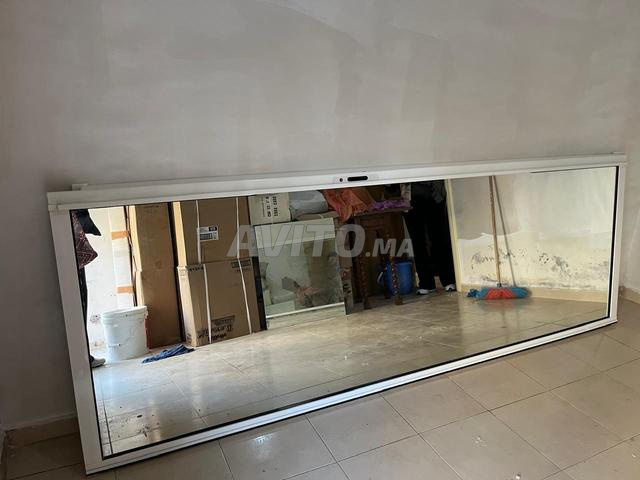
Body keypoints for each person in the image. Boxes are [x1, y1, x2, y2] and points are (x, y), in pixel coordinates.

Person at [402, 181, 456, 295]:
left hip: (433, 196)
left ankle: (448, 280)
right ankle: (426, 283)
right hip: (410, 199)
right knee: (418, 241)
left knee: (439, 238)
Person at [71, 209, 106, 368]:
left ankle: (83, 357)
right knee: (78, 304)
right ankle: (82, 359)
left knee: (79, 304)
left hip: (74, 256)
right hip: (72, 257)